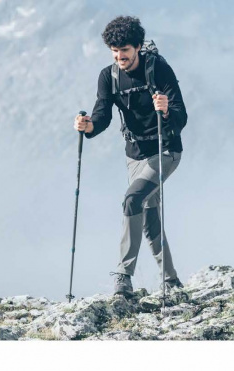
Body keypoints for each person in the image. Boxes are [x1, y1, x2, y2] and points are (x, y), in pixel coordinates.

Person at [73, 16, 187, 296]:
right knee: (148, 218)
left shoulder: (158, 68)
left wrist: (166, 108)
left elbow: (181, 117)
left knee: (132, 199)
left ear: (137, 47)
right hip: (134, 156)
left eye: (124, 50)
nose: (119, 55)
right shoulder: (108, 76)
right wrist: (88, 126)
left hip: (166, 150)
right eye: (114, 50)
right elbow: (102, 115)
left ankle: (123, 275)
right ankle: (171, 281)